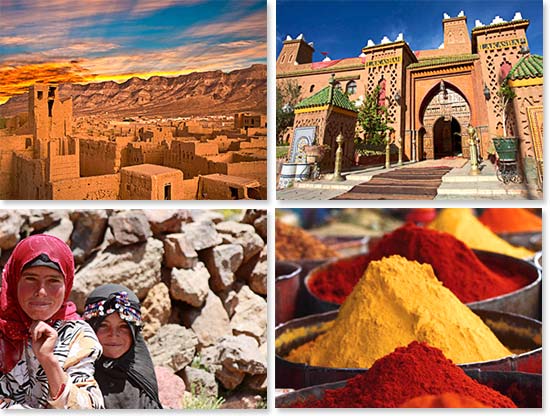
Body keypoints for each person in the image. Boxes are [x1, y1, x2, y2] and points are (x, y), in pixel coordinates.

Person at [0, 234, 104, 409]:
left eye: (53, 281)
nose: (41, 291)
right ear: (14, 279)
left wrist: (48, 360)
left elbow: (89, 408)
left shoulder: (77, 335)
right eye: (30, 278)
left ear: (67, 284)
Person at [83, 284, 162, 409]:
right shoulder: (77, 376)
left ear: (134, 332)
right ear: (91, 328)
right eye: (103, 325)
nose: (113, 335)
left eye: (124, 326)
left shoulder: (141, 382)